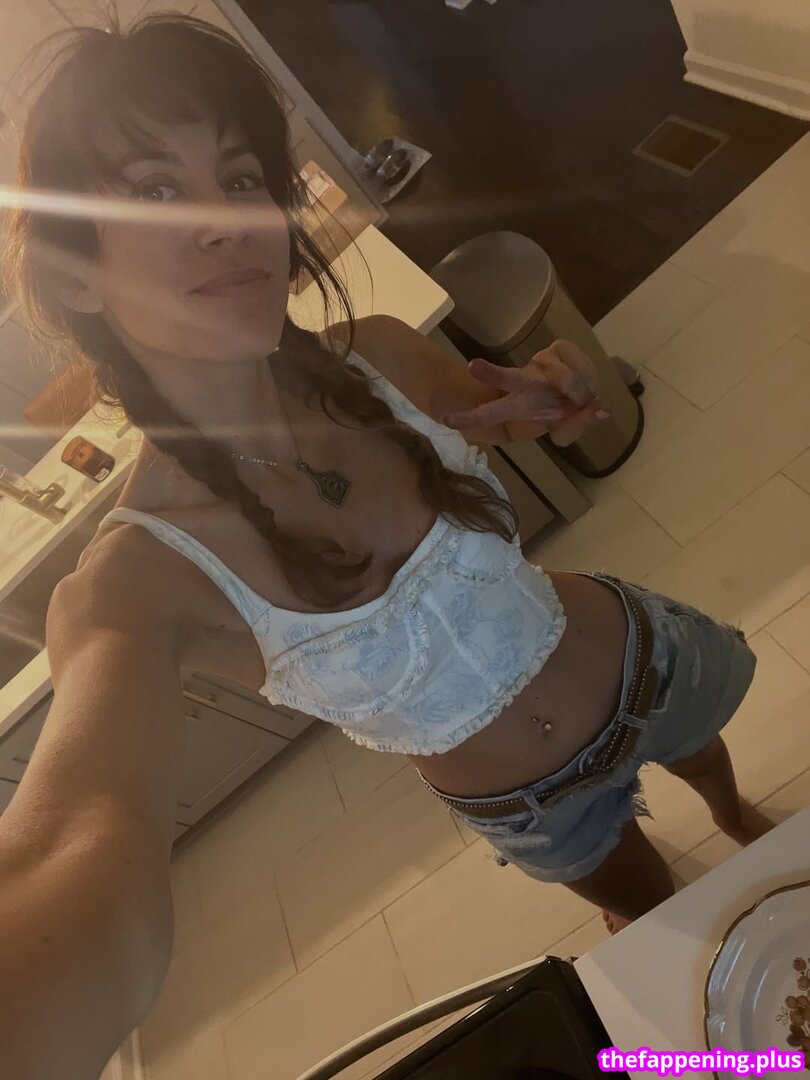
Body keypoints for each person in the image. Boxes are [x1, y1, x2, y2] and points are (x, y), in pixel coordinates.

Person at [0, 14, 772, 1079]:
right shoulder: (138, 582)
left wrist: (547, 394)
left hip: (637, 654)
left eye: (239, 175)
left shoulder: (377, 356)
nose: (228, 222)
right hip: (533, 806)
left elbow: (492, 410)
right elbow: (59, 853)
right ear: (75, 271)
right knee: (670, 946)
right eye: (156, 191)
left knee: (716, 769)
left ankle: (740, 819)